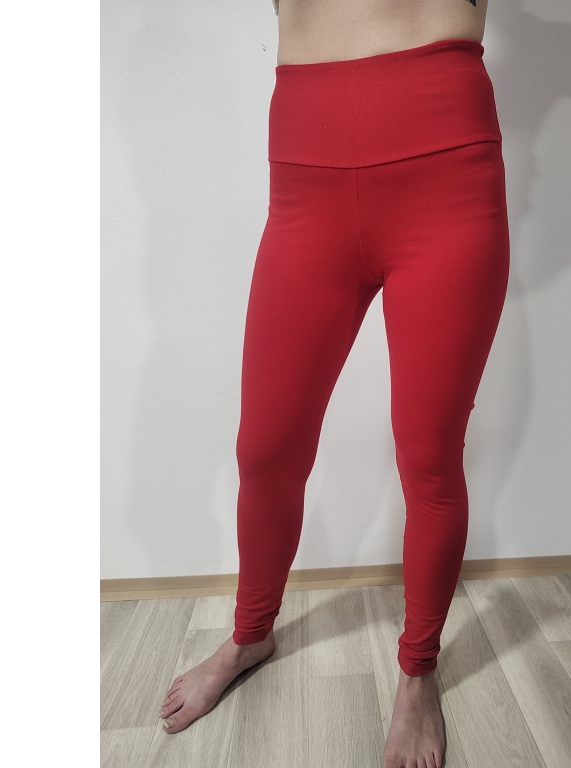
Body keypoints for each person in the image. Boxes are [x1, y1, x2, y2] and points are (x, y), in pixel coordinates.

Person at [158, 2, 506, 767]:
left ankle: (418, 673)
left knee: (428, 457)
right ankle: (250, 636)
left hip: (447, 182)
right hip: (304, 185)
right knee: (266, 449)